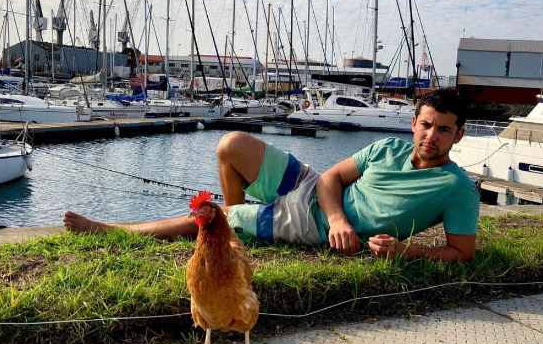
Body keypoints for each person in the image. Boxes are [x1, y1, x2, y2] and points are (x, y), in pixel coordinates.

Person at [63, 88, 480, 262]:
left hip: (311, 224)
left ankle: (110, 229)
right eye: (426, 124)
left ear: (458, 135)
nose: (431, 136)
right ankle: (241, 224)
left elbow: (463, 254)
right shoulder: (387, 148)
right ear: (414, 123)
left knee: (215, 217)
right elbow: (331, 178)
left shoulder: (457, 189)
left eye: (443, 129)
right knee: (231, 145)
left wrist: (407, 251)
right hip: (315, 190)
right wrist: (338, 214)